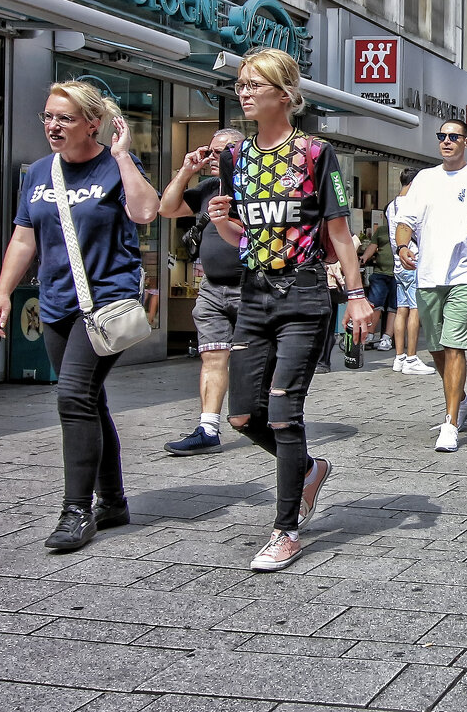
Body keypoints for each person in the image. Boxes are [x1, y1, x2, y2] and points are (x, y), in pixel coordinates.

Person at [206, 48, 372, 572]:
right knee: (240, 415)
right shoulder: (236, 158)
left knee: (282, 413)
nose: (244, 91)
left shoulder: (316, 154)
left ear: (285, 93)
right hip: (251, 295)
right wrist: (219, 223)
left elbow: (339, 234)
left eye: (255, 84)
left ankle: (285, 529)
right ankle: (308, 468)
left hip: (302, 296)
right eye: (241, 84)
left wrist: (357, 295)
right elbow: (244, 234)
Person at [0, 80, 159, 550]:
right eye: (47, 116)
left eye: (63, 118)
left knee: (73, 396)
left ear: (93, 124)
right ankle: (115, 501)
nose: (52, 126)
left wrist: (123, 156)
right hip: (58, 303)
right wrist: (3, 293)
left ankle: (76, 510)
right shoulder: (41, 172)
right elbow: (25, 238)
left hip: (107, 302)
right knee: (90, 398)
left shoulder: (113, 165)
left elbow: (146, 212)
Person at [394, 118, 467, 452]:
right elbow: (406, 222)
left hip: (466, 274)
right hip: (429, 275)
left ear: (466, 141)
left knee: (455, 346)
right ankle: (462, 400)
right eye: (442, 136)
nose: (447, 141)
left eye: (454, 137)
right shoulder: (424, 180)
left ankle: (451, 422)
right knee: (437, 348)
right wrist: (403, 247)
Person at [159, 128, 245, 455]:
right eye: (211, 151)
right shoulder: (207, 188)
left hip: (253, 287)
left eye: (222, 151)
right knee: (212, 355)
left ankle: (273, 418)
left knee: (258, 359)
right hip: (211, 288)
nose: (214, 158)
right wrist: (186, 170)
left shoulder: (258, 187)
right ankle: (208, 428)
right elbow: (166, 208)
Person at [386, 167, 434, 375]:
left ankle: (399, 357)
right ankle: (412, 357)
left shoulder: (391, 206)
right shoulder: (413, 204)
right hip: (414, 262)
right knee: (415, 309)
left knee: (401, 309)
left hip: (398, 264)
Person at [359, 221, 396, 350]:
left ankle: (387, 337)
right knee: (375, 304)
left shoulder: (406, 229)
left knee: (394, 307)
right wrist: (364, 257)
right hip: (380, 272)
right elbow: (372, 246)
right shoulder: (381, 230)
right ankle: (369, 334)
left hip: (398, 274)